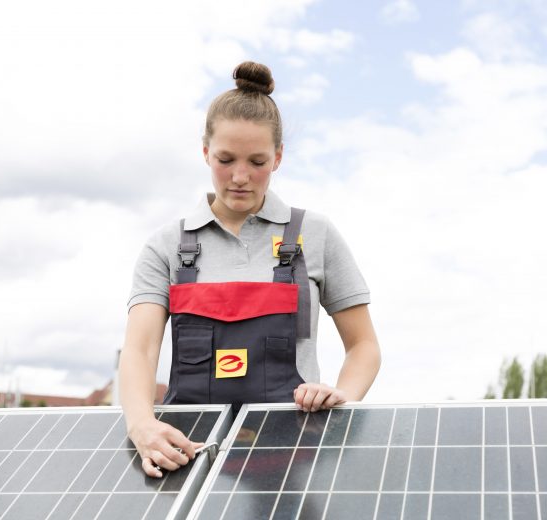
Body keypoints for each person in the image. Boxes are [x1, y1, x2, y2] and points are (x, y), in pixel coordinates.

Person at [119, 61, 380, 478]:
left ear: (278, 158)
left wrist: (341, 398)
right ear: (205, 151)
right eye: (225, 159)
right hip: (186, 458)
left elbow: (364, 346)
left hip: (292, 461)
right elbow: (140, 350)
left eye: (257, 161)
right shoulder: (166, 246)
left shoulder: (316, 234)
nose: (240, 177)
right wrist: (141, 424)